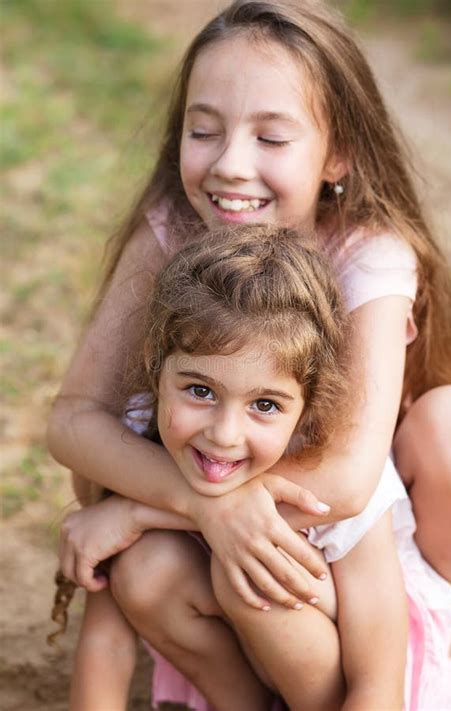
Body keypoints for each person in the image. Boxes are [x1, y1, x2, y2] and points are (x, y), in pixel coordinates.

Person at [48, 0, 451, 705]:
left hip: (346, 551)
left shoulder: (370, 253)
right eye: (203, 130)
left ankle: (437, 656)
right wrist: (205, 507)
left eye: (272, 139)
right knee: (142, 551)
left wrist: (148, 508)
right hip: (234, 554)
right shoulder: (171, 229)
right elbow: (74, 421)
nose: (230, 167)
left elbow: (346, 484)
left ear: (339, 152)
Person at [65, 225, 411, 711]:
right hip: (243, 677)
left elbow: (379, 686)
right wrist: (128, 514)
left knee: (249, 569)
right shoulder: (141, 439)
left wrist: (133, 514)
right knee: (144, 568)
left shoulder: (339, 485)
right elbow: (106, 643)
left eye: (266, 405)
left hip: (340, 691)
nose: (224, 435)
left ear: (308, 408)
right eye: (200, 391)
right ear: (156, 369)